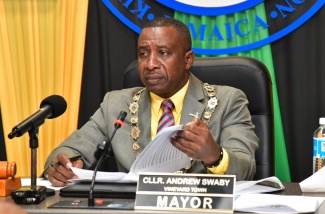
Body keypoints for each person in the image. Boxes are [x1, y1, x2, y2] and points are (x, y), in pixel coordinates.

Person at [44, 17, 259, 187]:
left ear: (188, 60)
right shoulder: (116, 104)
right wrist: (61, 165)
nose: (150, 64)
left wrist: (214, 155)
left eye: (163, 53)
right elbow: (68, 150)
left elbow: (246, 168)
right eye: (143, 54)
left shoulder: (228, 101)